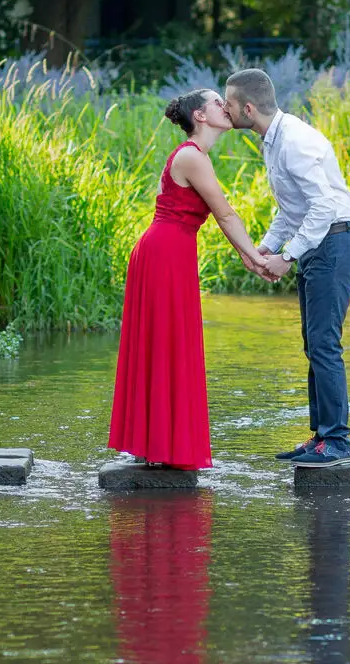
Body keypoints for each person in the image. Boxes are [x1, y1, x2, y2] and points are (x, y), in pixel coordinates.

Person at [107, 89, 266, 470]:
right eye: (216, 102)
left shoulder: (196, 156)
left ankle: (157, 444)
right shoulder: (192, 156)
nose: (224, 106)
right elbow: (225, 215)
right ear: (200, 115)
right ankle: (160, 446)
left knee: (167, 343)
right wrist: (255, 257)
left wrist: (251, 255)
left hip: (169, 252)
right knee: (167, 342)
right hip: (164, 254)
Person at [222, 67, 350, 466]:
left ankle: (338, 443)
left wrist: (287, 258)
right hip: (322, 241)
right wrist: (264, 250)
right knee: (314, 343)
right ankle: (321, 436)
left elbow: (322, 208)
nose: (224, 108)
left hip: (337, 241)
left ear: (248, 108)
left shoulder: (295, 142)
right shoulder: (273, 139)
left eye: (229, 103)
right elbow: (293, 210)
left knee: (324, 344)